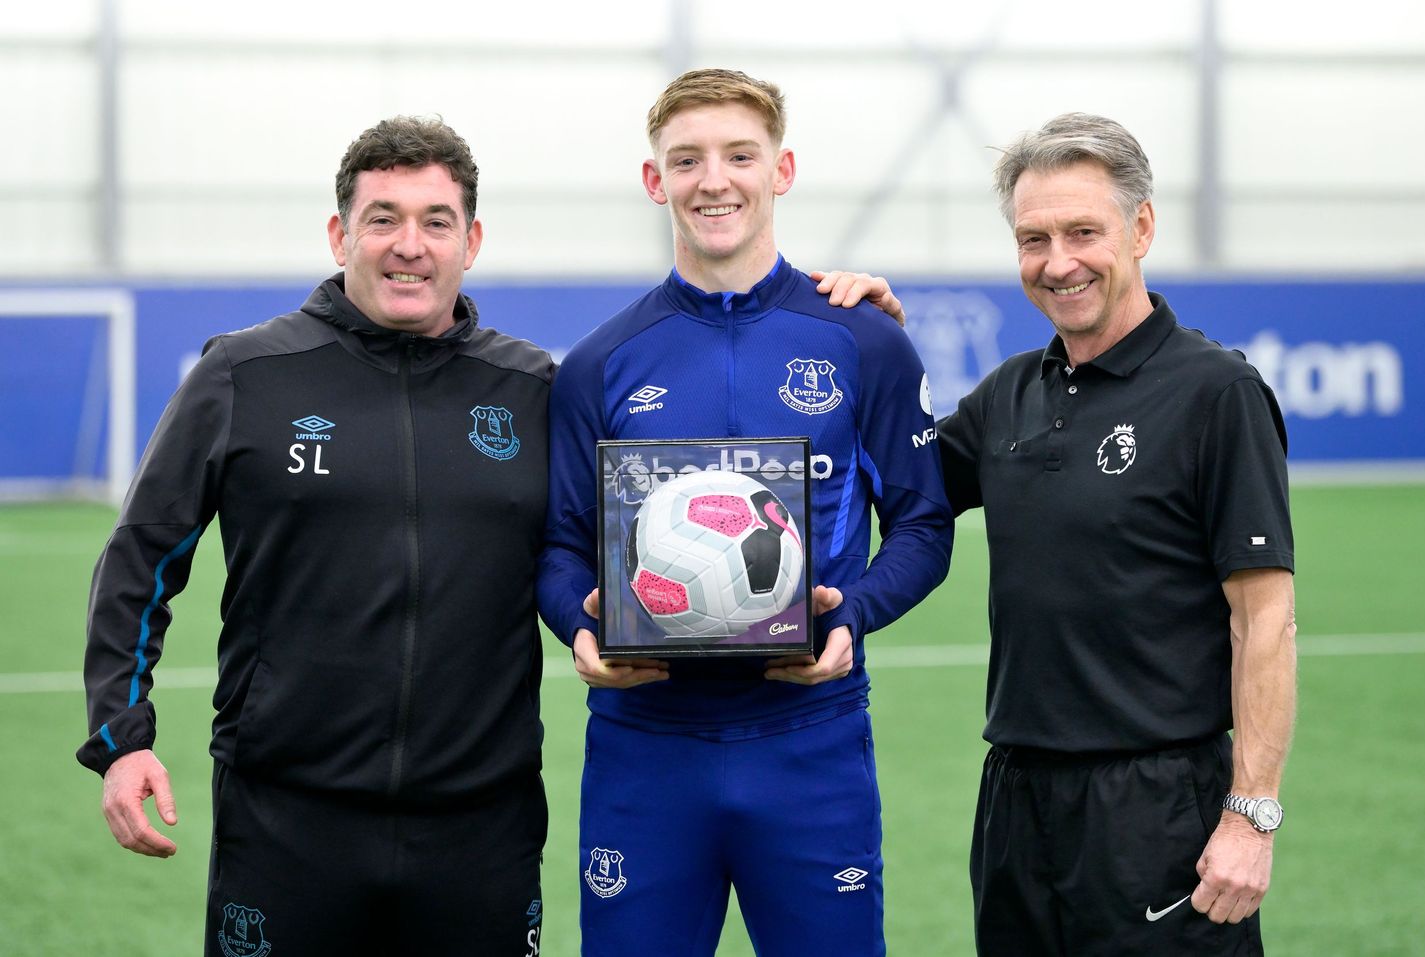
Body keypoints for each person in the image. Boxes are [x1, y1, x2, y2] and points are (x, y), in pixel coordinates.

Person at [77, 117, 555, 956]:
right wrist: (121, 738)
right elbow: (140, 555)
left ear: (471, 241)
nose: (409, 245)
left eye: (436, 221)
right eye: (383, 218)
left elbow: (608, 541)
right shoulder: (244, 374)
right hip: (286, 817)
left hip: (482, 822)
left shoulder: (532, 388)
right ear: (340, 234)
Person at [537, 69, 953, 956]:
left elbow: (924, 525)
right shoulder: (600, 363)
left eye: (739, 155)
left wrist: (855, 615)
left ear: (781, 170)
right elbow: (561, 545)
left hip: (810, 738)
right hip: (645, 746)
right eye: (686, 160)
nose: (713, 180)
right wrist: (579, 623)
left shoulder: (864, 340)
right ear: (655, 180)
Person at [864, 113, 1297, 954]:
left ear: (1141, 228)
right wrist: (873, 345)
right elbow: (892, 483)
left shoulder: (1217, 393)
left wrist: (1252, 817)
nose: (1057, 262)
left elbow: (1266, 621)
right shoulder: (1008, 394)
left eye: (1082, 232)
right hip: (1016, 798)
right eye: (1034, 239)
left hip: (1156, 805)